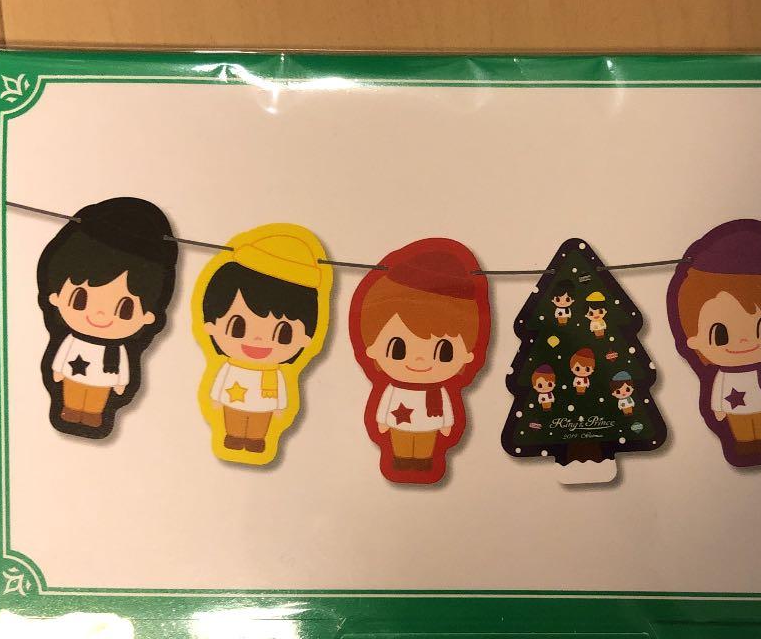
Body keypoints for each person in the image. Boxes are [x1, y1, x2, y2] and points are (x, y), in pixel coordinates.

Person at [37, 196, 177, 438]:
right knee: (73, 395)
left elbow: (123, 367)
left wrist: (121, 383)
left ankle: (93, 415)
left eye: (125, 309)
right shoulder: (71, 340)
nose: (100, 314)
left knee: (96, 400)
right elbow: (61, 356)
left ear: (148, 316)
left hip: (103, 382)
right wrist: (58, 371)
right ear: (56, 295)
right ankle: (71, 410)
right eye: (80, 299)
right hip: (72, 376)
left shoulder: (119, 350)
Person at [351, 239, 489, 483]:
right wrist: (382, 420)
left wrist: (446, 424)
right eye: (398, 349)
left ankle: (423, 460)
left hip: (429, 424)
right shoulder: (394, 388)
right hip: (398, 421)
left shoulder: (439, 392)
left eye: (444, 352)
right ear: (371, 346)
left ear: (468, 353)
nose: (419, 359)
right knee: (402, 442)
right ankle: (402, 458)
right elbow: (385, 403)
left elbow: (446, 407)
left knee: (425, 444)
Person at [668, 220, 761, 465]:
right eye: (720, 334)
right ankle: (744, 443)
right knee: (741, 427)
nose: (742, 340)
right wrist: (718, 407)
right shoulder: (724, 375)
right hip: (735, 407)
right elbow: (717, 389)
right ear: (694, 339)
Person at [196, 225, 329, 462]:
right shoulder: (230, 366)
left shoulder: (274, 373)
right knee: (234, 419)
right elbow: (220, 380)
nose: (257, 339)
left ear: (305, 339)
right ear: (211, 324)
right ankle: (234, 436)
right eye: (238, 327)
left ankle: (256, 439)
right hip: (231, 400)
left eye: (283, 334)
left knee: (259, 422)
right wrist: (215, 398)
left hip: (264, 405)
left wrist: (280, 406)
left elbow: (282, 389)